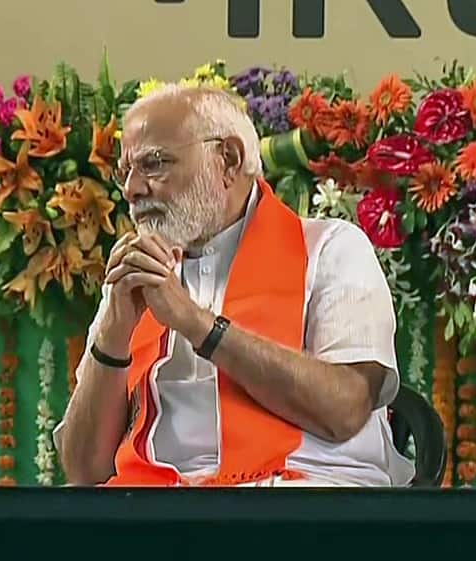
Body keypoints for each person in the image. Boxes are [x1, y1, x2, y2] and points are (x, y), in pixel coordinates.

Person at [54, 85, 414, 487]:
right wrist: (114, 331)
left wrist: (196, 324)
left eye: (154, 164)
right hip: (153, 509)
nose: (132, 189)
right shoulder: (137, 275)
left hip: (304, 499)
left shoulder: (330, 249)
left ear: (228, 159)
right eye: (126, 172)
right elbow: (84, 472)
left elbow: (345, 410)